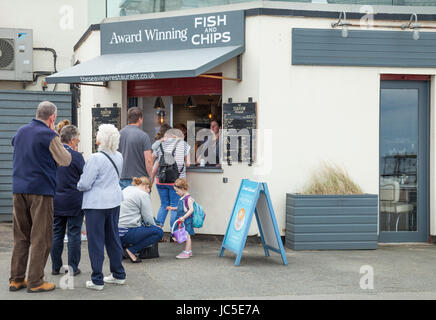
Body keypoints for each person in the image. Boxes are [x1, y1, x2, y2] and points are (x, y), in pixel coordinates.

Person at [9, 101, 72, 293]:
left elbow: (18, 147)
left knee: (21, 237)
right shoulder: (49, 135)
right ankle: (35, 281)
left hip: (18, 190)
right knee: (41, 237)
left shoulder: (20, 132)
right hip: (41, 191)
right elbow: (65, 159)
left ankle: (17, 279)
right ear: (52, 118)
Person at [77, 124, 126, 291]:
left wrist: (78, 184)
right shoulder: (119, 156)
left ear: (100, 139)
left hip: (96, 204)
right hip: (114, 201)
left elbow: (84, 184)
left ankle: (97, 279)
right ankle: (118, 273)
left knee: (96, 241)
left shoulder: (94, 158)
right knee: (113, 237)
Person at [50, 124, 85, 277]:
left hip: (55, 200)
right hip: (74, 201)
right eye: (77, 141)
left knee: (56, 233)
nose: (77, 143)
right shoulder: (77, 157)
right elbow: (85, 177)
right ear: (71, 141)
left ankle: (56, 267)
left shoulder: (51, 155)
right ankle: (72, 267)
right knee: (74, 234)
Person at [151, 129, 190, 234]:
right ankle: (174, 233)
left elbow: (151, 160)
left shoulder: (160, 145)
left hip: (161, 180)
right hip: (176, 182)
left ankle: (158, 232)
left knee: (164, 205)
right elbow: (189, 163)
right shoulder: (184, 145)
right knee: (174, 206)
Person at [118, 177, 163, 263]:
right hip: (126, 232)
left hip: (115, 232)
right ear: (147, 187)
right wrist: (156, 226)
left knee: (141, 227)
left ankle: (121, 250)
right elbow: (148, 218)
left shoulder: (127, 189)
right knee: (158, 232)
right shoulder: (143, 194)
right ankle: (131, 250)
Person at [118, 107, 153, 190]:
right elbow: (148, 159)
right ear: (140, 119)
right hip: (139, 179)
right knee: (140, 202)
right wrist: (151, 177)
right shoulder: (143, 136)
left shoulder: (118, 134)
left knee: (125, 203)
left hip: (121, 177)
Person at [167, 178, 195, 259]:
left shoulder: (188, 198)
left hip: (186, 221)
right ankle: (189, 251)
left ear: (182, 189)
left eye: (177, 191)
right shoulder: (183, 197)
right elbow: (181, 208)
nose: (176, 193)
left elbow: (191, 210)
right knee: (186, 236)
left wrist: (183, 217)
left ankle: (186, 252)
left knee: (187, 236)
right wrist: (173, 208)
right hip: (182, 220)